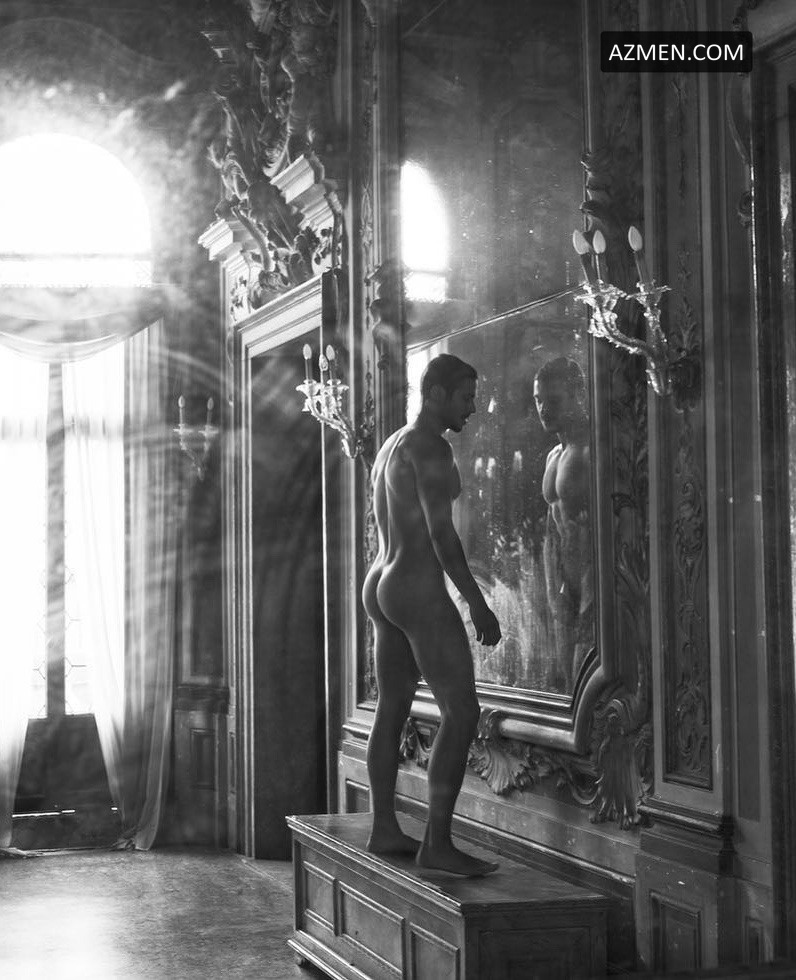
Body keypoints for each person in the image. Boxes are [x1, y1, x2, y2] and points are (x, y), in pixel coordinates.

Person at [362, 353, 501, 877]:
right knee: (461, 713)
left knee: (391, 707)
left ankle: (383, 826)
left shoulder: (391, 445)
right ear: (437, 393)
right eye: (465, 397)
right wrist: (477, 603)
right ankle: (437, 844)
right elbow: (442, 536)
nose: (472, 408)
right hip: (416, 586)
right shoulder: (431, 447)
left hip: (380, 582)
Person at [533, 357, 593, 690]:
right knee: (569, 682)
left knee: (586, 680)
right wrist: (554, 594)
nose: (543, 409)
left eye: (553, 400)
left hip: (593, 587)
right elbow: (553, 532)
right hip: (563, 589)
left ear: (577, 395)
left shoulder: (592, 450)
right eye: (539, 400)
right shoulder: (554, 455)